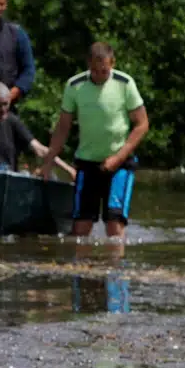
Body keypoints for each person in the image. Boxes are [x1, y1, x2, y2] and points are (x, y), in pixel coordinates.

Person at [39, 42, 150, 239]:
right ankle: (82, 260)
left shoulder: (125, 83)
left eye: (104, 71)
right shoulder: (75, 85)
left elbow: (142, 124)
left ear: (112, 63)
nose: (99, 75)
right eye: (95, 71)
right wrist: (48, 162)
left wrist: (118, 157)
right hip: (87, 163)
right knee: (81, 228)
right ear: (88, 64)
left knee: (114, 225)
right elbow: (63, 126)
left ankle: (115, 259)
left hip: (120, 164)